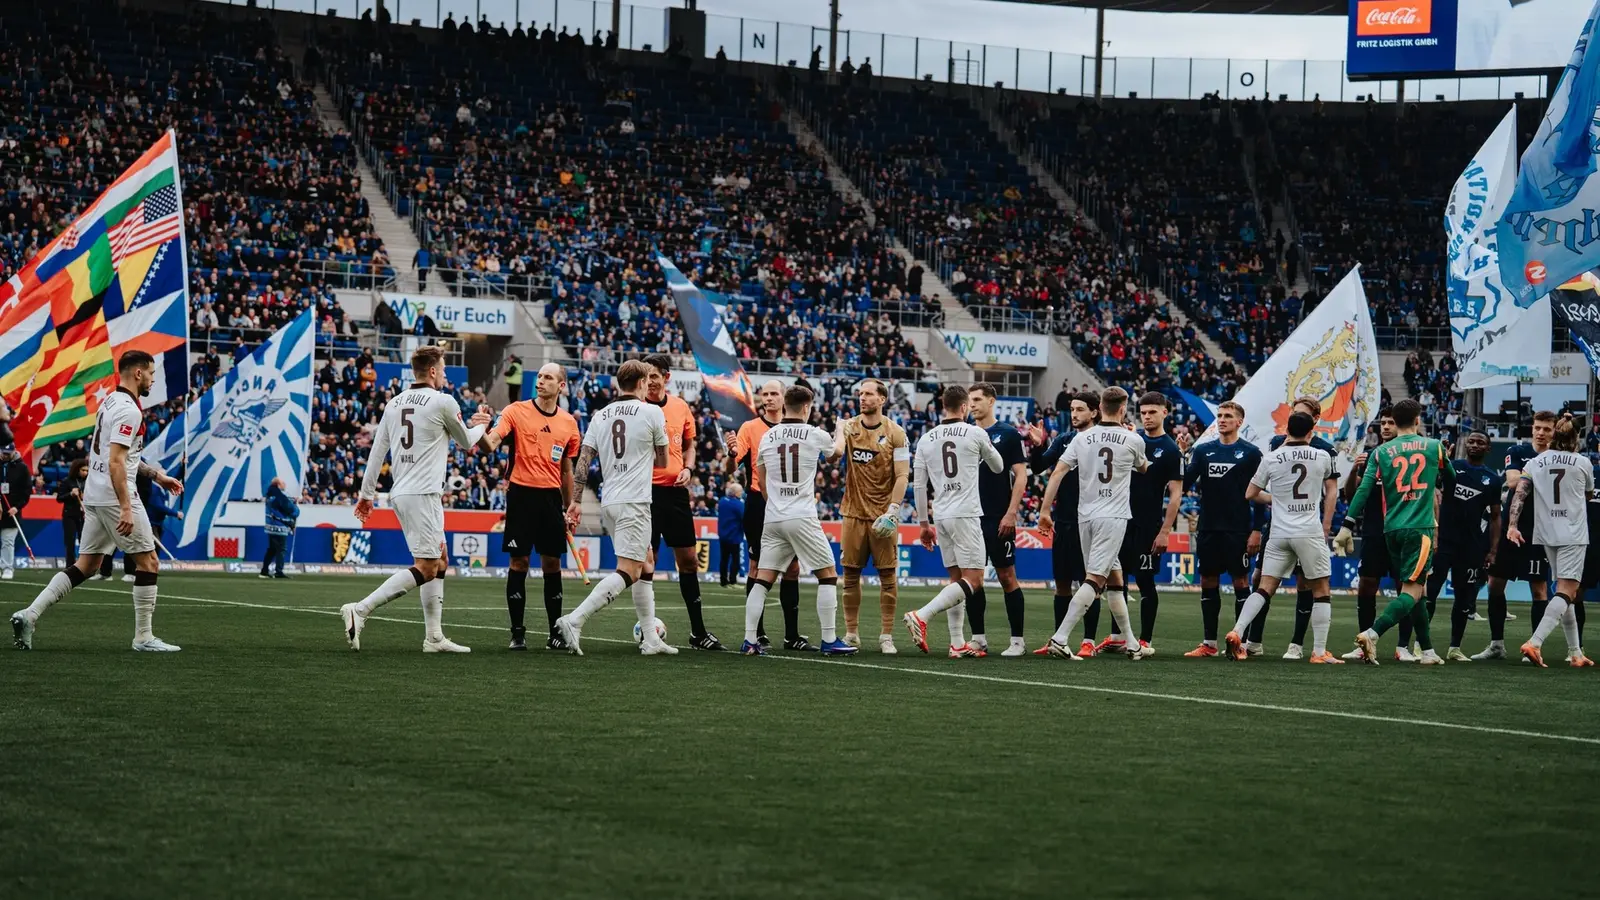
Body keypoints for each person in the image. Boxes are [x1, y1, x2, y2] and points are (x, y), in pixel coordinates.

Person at [11, 350, 186, 652]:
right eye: (151, 373)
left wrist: (156, 475)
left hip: (95, 493)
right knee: (149, 561)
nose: (153, 379)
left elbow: (121, 455)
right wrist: (127, 507)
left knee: (87, 564)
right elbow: (117, 463)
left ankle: (29, 614)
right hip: (114, 495)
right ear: (138, 373)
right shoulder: (129, 411)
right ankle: (143, 638)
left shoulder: (110, 402)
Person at [340, 346, 492, 653]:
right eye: (444, 369)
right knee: (425, 567)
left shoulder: (394, 403)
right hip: (422, 494)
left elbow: (377, 450)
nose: (446, 374)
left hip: (405, 492)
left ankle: (434, 637)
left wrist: (366, 494)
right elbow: (466, 442)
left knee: (440, 561)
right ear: (433, 371)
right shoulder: (442, 401)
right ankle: (360, 609)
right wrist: (482, 426)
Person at [554, 360, 675, 656]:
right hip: (635, 501)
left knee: (645, 564)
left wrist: (577, 501)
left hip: (610, 500)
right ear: (644, 383)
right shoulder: (652, 411)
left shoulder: (601, 415)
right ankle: (575, 619)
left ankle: (650, 639)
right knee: (630, 570)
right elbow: (663, 462)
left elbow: (583, 462)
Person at [1038, 387, 1153, 660]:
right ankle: (1060, 637)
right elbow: (1144, 468)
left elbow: (1057, 472)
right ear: (1123, 407)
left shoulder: (1082, 438)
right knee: (1096, 580)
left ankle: (1132, 643)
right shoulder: (1132, 439)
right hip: (1113, 518)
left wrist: (1044, 510)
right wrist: (1133, 437)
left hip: (1084, 517)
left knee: (1115, 579)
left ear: (1099, 407)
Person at [741, 385, 854, 656]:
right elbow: (837, 453)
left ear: (785, 405)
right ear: (806, 407)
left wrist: (774, 504)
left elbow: (761, 477)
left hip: (774, 516)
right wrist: (841, 429)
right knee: (827, 575)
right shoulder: (813, 434)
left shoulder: (768, 436)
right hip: (801, 514)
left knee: (763, 579)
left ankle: (749, 641)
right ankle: (829, 639)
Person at [477, 363, 581, 650]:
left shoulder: (569, 424)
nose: (541, 381)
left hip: (550, 499)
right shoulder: (515, 411)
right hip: (521, 495)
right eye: (539, 376)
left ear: (561, 386)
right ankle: (517, 633)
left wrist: (570, 506)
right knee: (518, 562)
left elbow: (566, 471)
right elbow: (491, 444)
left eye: (548, 377)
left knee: (552, 564)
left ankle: (554, 633)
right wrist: (479, 430)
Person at [1343, 399, 1454, 665]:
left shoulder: (1381, 452)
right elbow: (1451, 481)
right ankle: (1372, 633)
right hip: (1419, 528)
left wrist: (1347, 525)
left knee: (1414, 591)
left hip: (1390, 528)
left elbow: (1364, 489)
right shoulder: (1434, 446)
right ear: (1418, 420)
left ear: (1395, 419)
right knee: (1413, 592)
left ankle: (1427, 652)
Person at [1229, 411, 1340, 662]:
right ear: (1311, 432)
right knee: (1321, 589)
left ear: (1286, 430)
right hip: (1308, 531)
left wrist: (1277, 499)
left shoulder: (1271, 457)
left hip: (1279, 532)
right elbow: (1331, 492)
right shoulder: (1322, 456)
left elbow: (1250, 493)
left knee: (1265, 587)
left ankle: (1237, 632)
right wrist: (1326, 525)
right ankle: (1320, 652)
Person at [903, 384, 1004, 657]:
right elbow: (999, 467)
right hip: (966, 513)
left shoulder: (926, 439)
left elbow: (920, 486)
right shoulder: (975, 433)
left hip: (942, 515)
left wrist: (924, 524)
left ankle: (957, 643)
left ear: (943, 406)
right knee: (974, 580)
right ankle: (921, 615)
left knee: (956, 579)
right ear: (964, 408)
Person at [640, 355, 718, 650]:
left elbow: (690, 445)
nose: (649, 381)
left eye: (654, 376)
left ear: (666, 377)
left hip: (675, 493)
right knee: (648, 564)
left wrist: (688, 468)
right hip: (645, 494)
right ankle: (648, 633)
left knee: (687, 560)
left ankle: (698, 632)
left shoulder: (680, 407)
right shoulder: (637, 408)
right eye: (645, 376)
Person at [1097, 392, 1184, 655]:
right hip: (1120, 521)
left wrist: (1165, 531)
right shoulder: (1131, 441)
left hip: (1148, 526)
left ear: (1164, 413)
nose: (1147, 417)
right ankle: (1117, 636)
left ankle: (1145, 639)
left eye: (1152, 412)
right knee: (1116, 580)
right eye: (1144, 413)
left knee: (1145, 582)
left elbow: (1176, 494)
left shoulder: (1170, 450)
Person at [1506, 419, 1593, 667]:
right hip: (1573, 533)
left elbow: (1519, 494)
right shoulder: (1584, 462)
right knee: (1568, 591)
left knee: (1564, 591)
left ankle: (1575, 652)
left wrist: (1512, 525)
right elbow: (1587, 495)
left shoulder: (1534, 462)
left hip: (1545, 533)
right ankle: (1534, 642)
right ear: (1575, 438)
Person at [1180, 401, 1263, 657]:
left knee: (1240, 580)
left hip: (1238, 530)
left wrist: (1257, 530)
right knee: (1207, 580)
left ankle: (1241, 643)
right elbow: (1184, 484)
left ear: (1240, 422)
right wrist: (1183, 456)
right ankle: (1209, 644)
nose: (1222, 419)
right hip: (1208, 528)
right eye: (1220, 416)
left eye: (1228, 416)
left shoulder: (1251, 453)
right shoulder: (1204, 451)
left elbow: (1259, 493)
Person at [837, 378, 910, 653]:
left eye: (868, 394)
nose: (862, 398)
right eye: (860, 393)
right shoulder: (849, 428)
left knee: (888, 576)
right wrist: (834, 433)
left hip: (883, 515)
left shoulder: (896, 433)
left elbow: (903, 475)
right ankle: (851, 633)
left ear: (882, 399)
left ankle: (886, 636)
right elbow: (834, 456)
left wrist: (893, 509)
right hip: (853, 513)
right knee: (850, 575)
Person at [728, 380, 803, 647]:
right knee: (757, 565)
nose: (769, 398)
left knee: (792, 568)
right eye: (765, 394)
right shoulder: (750, 428)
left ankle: (791, 636)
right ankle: (756, 633)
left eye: (774, 394)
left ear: (785, 398)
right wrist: (730, 453)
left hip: (789, 503)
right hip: (759, 502)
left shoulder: (796, 428)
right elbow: (731, 466)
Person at [1475, 410, 1554, 660]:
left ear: (1554, 432)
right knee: (1495, 585)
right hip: (1512, 527)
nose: (1541, 433)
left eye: (1547, 429)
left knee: (1539, 590)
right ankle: (1497, 644)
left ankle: (1534, 647)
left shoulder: (1558, 458)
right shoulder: (1517, 452)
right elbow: (1512, 482)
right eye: (1537, 427)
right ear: (1532, 428)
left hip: (1540, 531)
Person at [1027, 390, 1097, 654]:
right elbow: (1037, 467)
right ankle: (1058, 639)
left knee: (1089, 582)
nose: (1075, 414)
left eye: (1080, 409)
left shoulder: (1101, 440)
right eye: (1073, 409)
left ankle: (1089, 641)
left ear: (1094, 411)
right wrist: (1038, 445)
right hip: (1064, 522)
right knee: (1063, 584)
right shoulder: (1064, 440)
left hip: (1090, 521)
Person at [1426, 431, 1499, 661]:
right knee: (1430, 593)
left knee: (1463, 599)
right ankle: (1421, 644)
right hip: (1443, 542)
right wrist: (1441, 461)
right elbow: (1433, 485)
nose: (1475, 445)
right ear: (1465, 445)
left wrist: (1493, 550)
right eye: (1472, 441)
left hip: (1472, 546)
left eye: (1481, 442)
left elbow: (1496, 517)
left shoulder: (1492, 479)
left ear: (1488, 448)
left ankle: (1454, 648)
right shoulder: (1453, 467)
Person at [967, 383, 1029, 657]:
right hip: (970, 518)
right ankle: (978, 638)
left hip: (998, 516)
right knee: (972, 579)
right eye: (970, 400)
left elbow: (1021, 475)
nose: (973, 404)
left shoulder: (1008, 434)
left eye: (978, 399)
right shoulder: (965, 433)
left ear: (991, 402)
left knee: (1006, 576)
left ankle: (1018, 641)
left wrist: (1011, 512)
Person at [1342, 409, 1400, 661]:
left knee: (1405, 588)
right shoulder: (1369, 458)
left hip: (1402, 531)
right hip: (1374, 532)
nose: (1385, 427)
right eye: (1383, 423)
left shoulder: (1408, 456)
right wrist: (1354, 472)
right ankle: (1362, 643)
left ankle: (1404, 646)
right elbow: (1352, 497)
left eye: (1391, 423)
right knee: (1367, 585)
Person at [260, 477, 300, 579]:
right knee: (281, 549)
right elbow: (291, 510)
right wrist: (296, 507)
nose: (285, 484)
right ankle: (278, 571)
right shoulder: (280, 497)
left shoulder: (269, 496)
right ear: (278, 485)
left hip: (270, 526)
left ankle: (264, 571)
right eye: (283, 483)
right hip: (280, 527)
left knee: (272, 550)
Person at [0, 443, 29, 580]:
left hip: (12, 511)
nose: (5, 455)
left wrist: (17, 507)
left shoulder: (22, 468)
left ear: (14, 451)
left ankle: (7, 568)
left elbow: (26, 492)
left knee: (8, 541)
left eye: (7, 453)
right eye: (3, 452)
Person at [56, 458, 88, 562]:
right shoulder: (67, 481)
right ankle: (70, 565)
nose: (85, 473)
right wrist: (70, 494)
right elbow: (59, 498)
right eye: (83, 470)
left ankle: (84, 564)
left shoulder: (89, 482)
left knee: (84, 541)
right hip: (69, 515)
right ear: (77, 470)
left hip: (84, 515)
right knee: (70, 541)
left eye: (87, 470)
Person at [718, 483, 745, 587]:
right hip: (734, 535)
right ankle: (733, 580)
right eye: (740, 491)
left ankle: (723, 581)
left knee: (724, 559)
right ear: (736, 493)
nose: (741, 493)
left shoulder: (722, 501)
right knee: (735, 560)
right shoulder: (738, 504)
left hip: (723, 535)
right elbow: (744, 518)